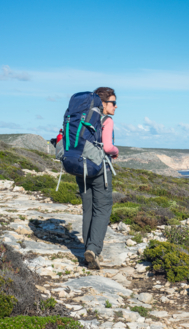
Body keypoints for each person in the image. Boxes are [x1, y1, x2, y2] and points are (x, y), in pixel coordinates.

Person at [77, 87, 119, 269]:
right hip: (99, 168)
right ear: (103, 103)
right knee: (102, 209)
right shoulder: (106, 120)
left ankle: (88, 250)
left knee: (88, 209)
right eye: (113, 103)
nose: (116, 107)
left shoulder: (81, 116)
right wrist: (116, 152)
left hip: (80, 167)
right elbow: (108, 147)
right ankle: (94, 250)